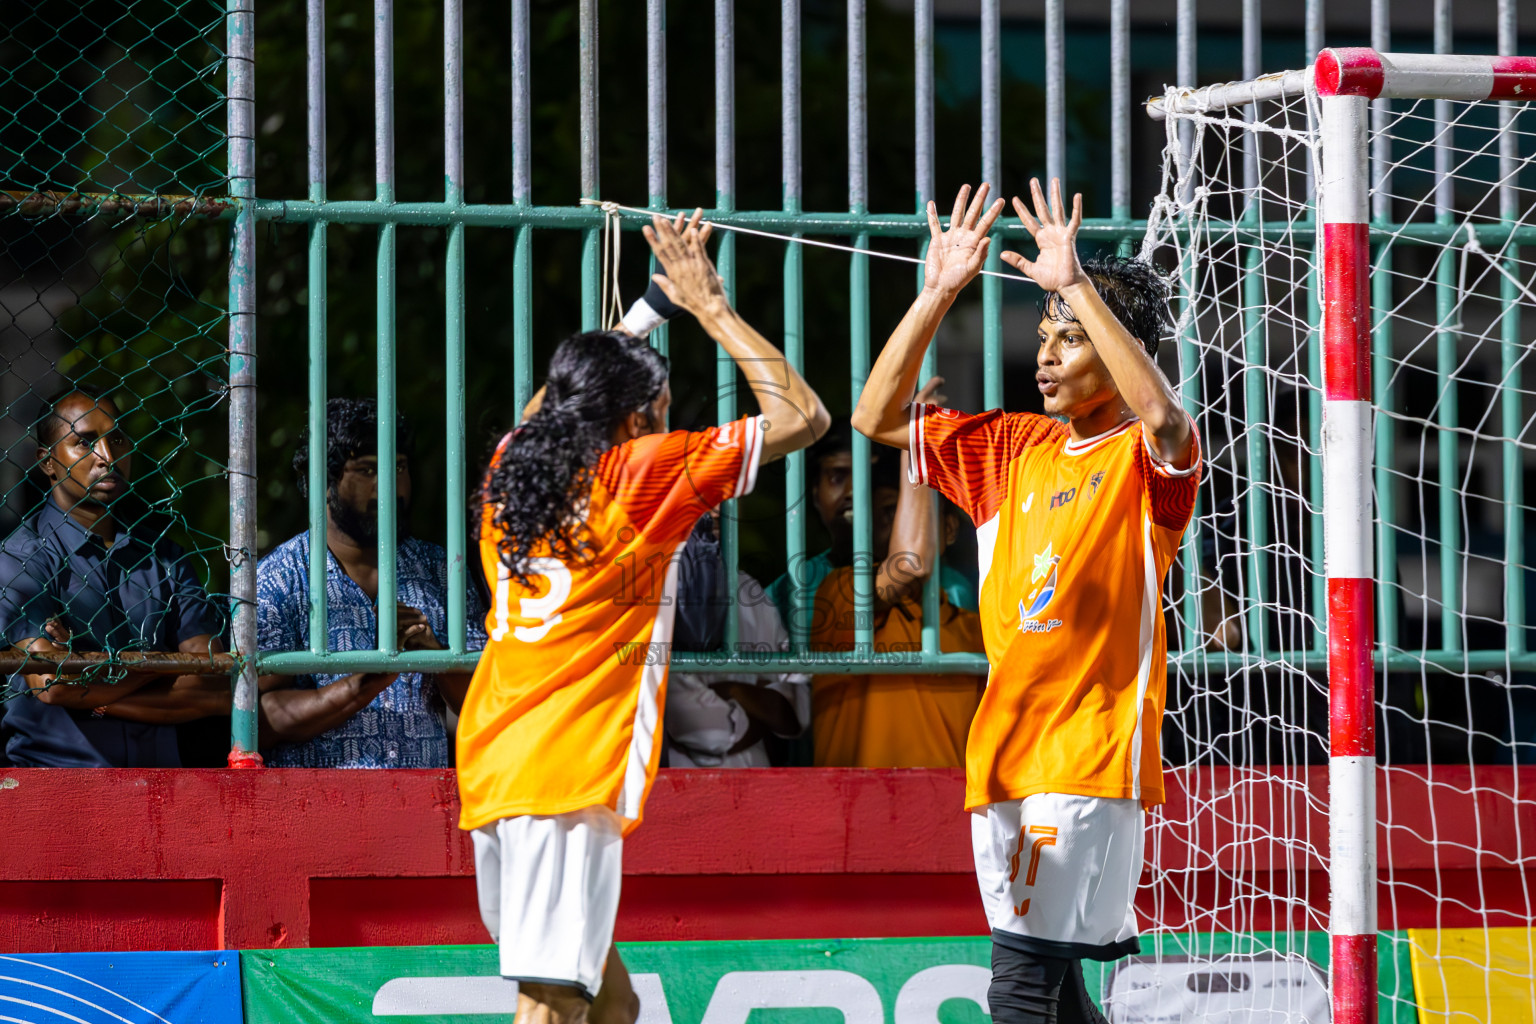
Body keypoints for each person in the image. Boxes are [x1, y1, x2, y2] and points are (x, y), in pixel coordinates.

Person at [457, 209, 828, 1023]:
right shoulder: (641, 471)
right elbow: (806, 416)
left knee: (610, 1005)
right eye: (660, 406)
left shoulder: (516, 466)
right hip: (566, 765)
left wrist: (649, 308)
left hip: (497, 754)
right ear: (636, 420)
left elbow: (547, 408)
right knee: (550, 1001)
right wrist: (709, 306)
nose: (670, 417)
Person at [851, 180, 1200, 1024]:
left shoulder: (1147, 462)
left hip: (1082, 759)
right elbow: (875, 416)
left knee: (1018, 983)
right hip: (1003, 753)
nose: (1046, 354)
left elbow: (1163, 416)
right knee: (1053, 987)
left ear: (1115, 353)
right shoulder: (1012, 448)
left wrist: (1075, 283)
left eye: (1070, 339)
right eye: (1044, 335)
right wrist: (937, 292)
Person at [0, 387, 230, 767]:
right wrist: (164, 663)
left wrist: (94, 685)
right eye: (84, 443)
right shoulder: (21, 559)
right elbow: (53, 685)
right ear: (47, 462)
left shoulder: (165, 556)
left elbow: (214, 682)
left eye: (118, 439)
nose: (108, 457)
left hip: (163, 779)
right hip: (56, 777)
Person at [254, 398, 485, 768]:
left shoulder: (441, 569)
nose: (389, 486)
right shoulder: (278, 578)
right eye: (366, 470)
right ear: (323, 482)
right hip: (317, 813)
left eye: (398, 467)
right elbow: (258, 720)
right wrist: (365, 682)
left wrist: (436, 658)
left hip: (427, 808)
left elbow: (488, 702)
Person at [811, 379, 986, 768]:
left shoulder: (975, 629)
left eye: (899, 512)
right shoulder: (840, 591)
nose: (891, 528)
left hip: (945, 819)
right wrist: (914, 443)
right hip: (854, 813)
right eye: (882, 516)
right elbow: (909, 563)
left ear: (950, 529)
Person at [765, 420, 978, 637]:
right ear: (815, 492)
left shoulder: (960, 591)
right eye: (838, 477)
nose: (853, 492)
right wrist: (916, 434)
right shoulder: (795, 589)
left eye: (894, 509)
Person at [664, 511, 809, 768]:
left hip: (760, 794)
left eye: (726, 491)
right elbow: (707, 734)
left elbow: (797, 712)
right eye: (706, 491)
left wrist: (733, 691)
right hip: (684, 796)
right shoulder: (653, 593)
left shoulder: (749, 590)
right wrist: (763, 705)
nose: (718, 508)